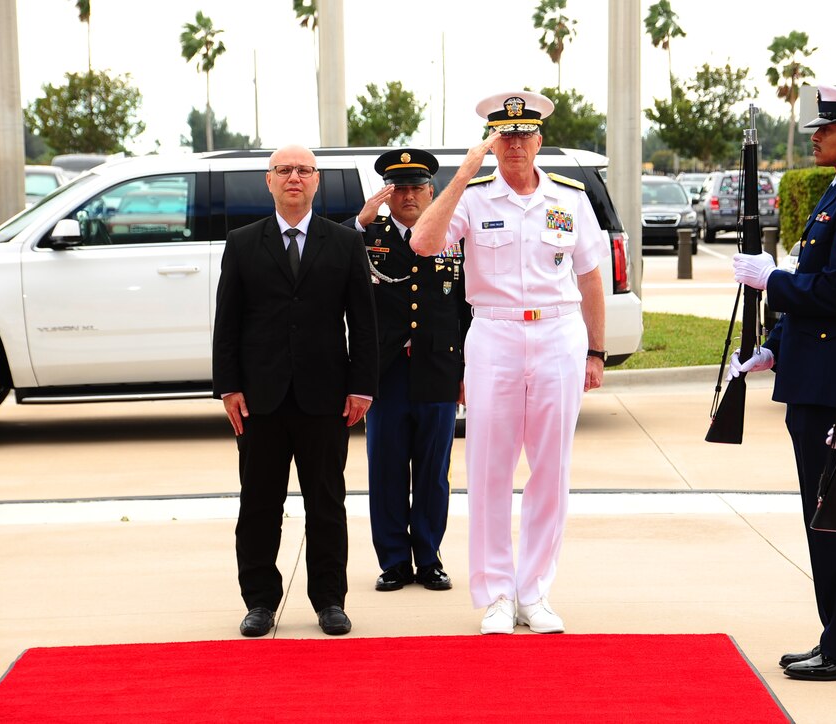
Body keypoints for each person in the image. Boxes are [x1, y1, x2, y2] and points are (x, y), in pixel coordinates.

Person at [410, 91, 608, 635]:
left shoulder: (569, 198)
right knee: (490, 468)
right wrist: (463, 171)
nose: (515, 144)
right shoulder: (472, 198)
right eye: (504, 136)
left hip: (558, 332)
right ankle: (497, 593)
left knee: (551, 468)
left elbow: (591, 275)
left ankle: (534, 592)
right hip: (494, 333)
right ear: (492, 141)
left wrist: (595, 350)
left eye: (524, 135)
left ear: (539, 140)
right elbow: (423, 244)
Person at [729, 84, 836, 681]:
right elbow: (818, 283)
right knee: (824, 512)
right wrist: (774, 348)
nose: (815, 134)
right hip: (813, 372)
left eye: (827, 126)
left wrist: (771, 279)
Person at [212, 144, 378, 638]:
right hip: (259, 399)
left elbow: (363, 324)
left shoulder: (344, 243)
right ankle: (260, 601)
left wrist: (362, 388)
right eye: (284, 170)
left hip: (325, 398)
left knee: (326, 502)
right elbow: (228, 322)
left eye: (304, 170)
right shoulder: (242, 243)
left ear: (316, 181)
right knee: (259, 504)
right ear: (269, 181)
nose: (294, 178)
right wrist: (229, 387)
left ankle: (330, 600)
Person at [343, 149, 470, 593]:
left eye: (418, 187)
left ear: (432, 191)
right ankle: (395, 561)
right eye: (400, 188)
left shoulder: (454, 233)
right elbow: (329, 252)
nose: (410, 195)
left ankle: (430, 558)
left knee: (434, 471)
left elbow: (466, 306)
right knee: (387, 468)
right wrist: (360, 220)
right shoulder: (367, 235)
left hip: (438, 367)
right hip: (386, 371)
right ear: (387, 194)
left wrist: (466, 368)